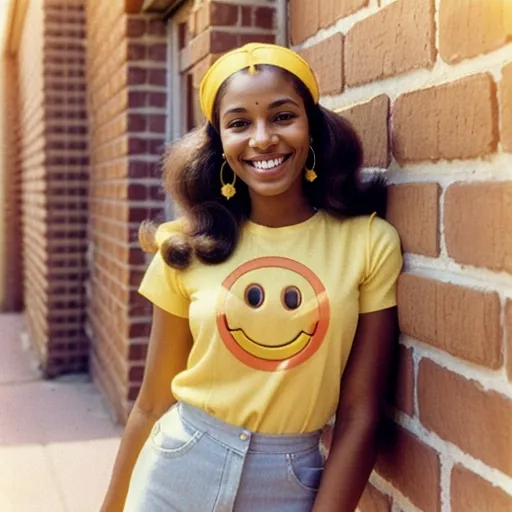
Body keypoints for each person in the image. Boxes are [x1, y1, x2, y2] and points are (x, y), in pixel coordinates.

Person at [101, 43, 402, 512]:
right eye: (240, 123)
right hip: (177, 467)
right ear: (220, 141)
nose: (262, 139)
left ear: (311, 127)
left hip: (287, 482)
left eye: (283, 116)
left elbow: (360, 414)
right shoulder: (183, 247)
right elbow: (152, 402)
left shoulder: (367, 244)